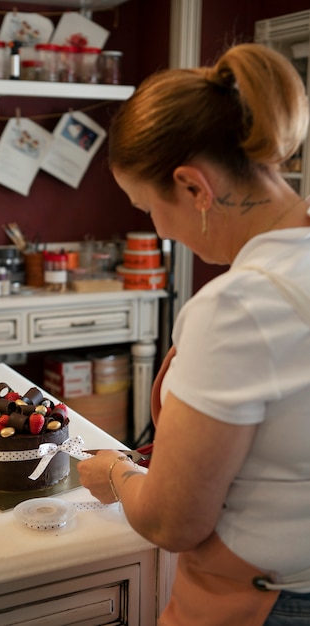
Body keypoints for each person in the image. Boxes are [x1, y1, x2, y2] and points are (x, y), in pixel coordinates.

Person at [77, 42, 310, 625]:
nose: (158, 229)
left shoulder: (238, 307)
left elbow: (173, 522)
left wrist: (115, 472)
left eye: (147, 207)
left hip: (267, 601)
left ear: (193, 188)